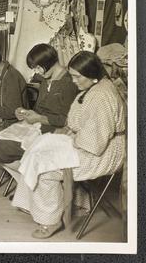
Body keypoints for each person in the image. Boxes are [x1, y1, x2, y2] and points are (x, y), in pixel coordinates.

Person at [12, 51, 126, 239]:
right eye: (72, 75)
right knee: (37, 146)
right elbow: (79, 124)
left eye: (76, 77)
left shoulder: (102, 96)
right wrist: (66, 133)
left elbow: (94, 144)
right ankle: (37, 204)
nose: (73, 81)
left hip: (103, 153)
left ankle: (50, 220)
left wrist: (69, 138)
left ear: (91, 74)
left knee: (45, 168)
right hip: (85, 141)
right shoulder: (93, 87)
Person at [0, 44, 78, 164]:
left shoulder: (69, 83)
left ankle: (24, 169)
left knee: (1, 145)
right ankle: (20, 169)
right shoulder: (45, 79)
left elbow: (66, 120)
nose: (36, 72)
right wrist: (24, 112)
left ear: (47, 63)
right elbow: (39, 108)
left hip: (56, 131)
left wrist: (39, 118)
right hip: (39, 126)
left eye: (37, 67)